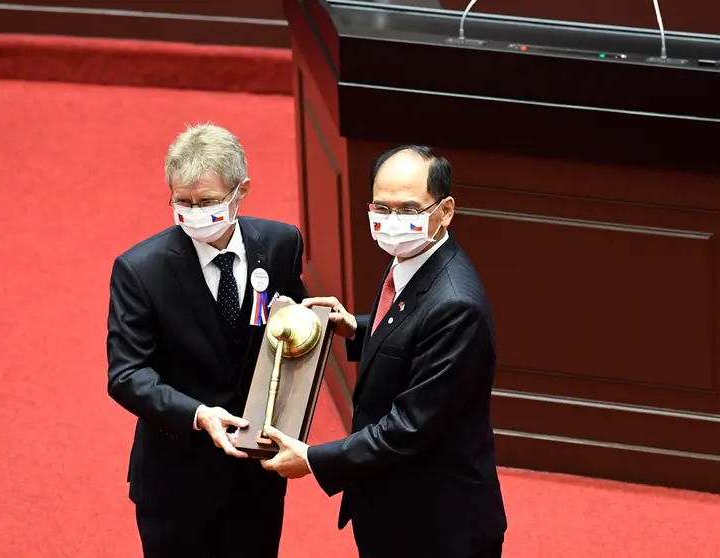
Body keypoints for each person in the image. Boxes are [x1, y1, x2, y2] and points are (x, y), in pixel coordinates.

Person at [261, 145, 507, 557]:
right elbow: (407, 330)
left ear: (445, 211)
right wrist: (356, 326)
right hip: (393, 508)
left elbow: (409, 428)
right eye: (382, 208)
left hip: (437, 529)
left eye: (408, 210)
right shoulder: (412, 259)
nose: (392, 222)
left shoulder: (455, 304)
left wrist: (312, 458)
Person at [106, 123, 308, 558]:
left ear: (242, 191)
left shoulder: (280, 244)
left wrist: (305, 321)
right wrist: (197, 414)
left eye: (209, 202)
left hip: (256, 478)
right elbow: (126, 374)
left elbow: (293, 331)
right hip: (178, 481)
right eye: (183, 201)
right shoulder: (140, 270)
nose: (195, 212)